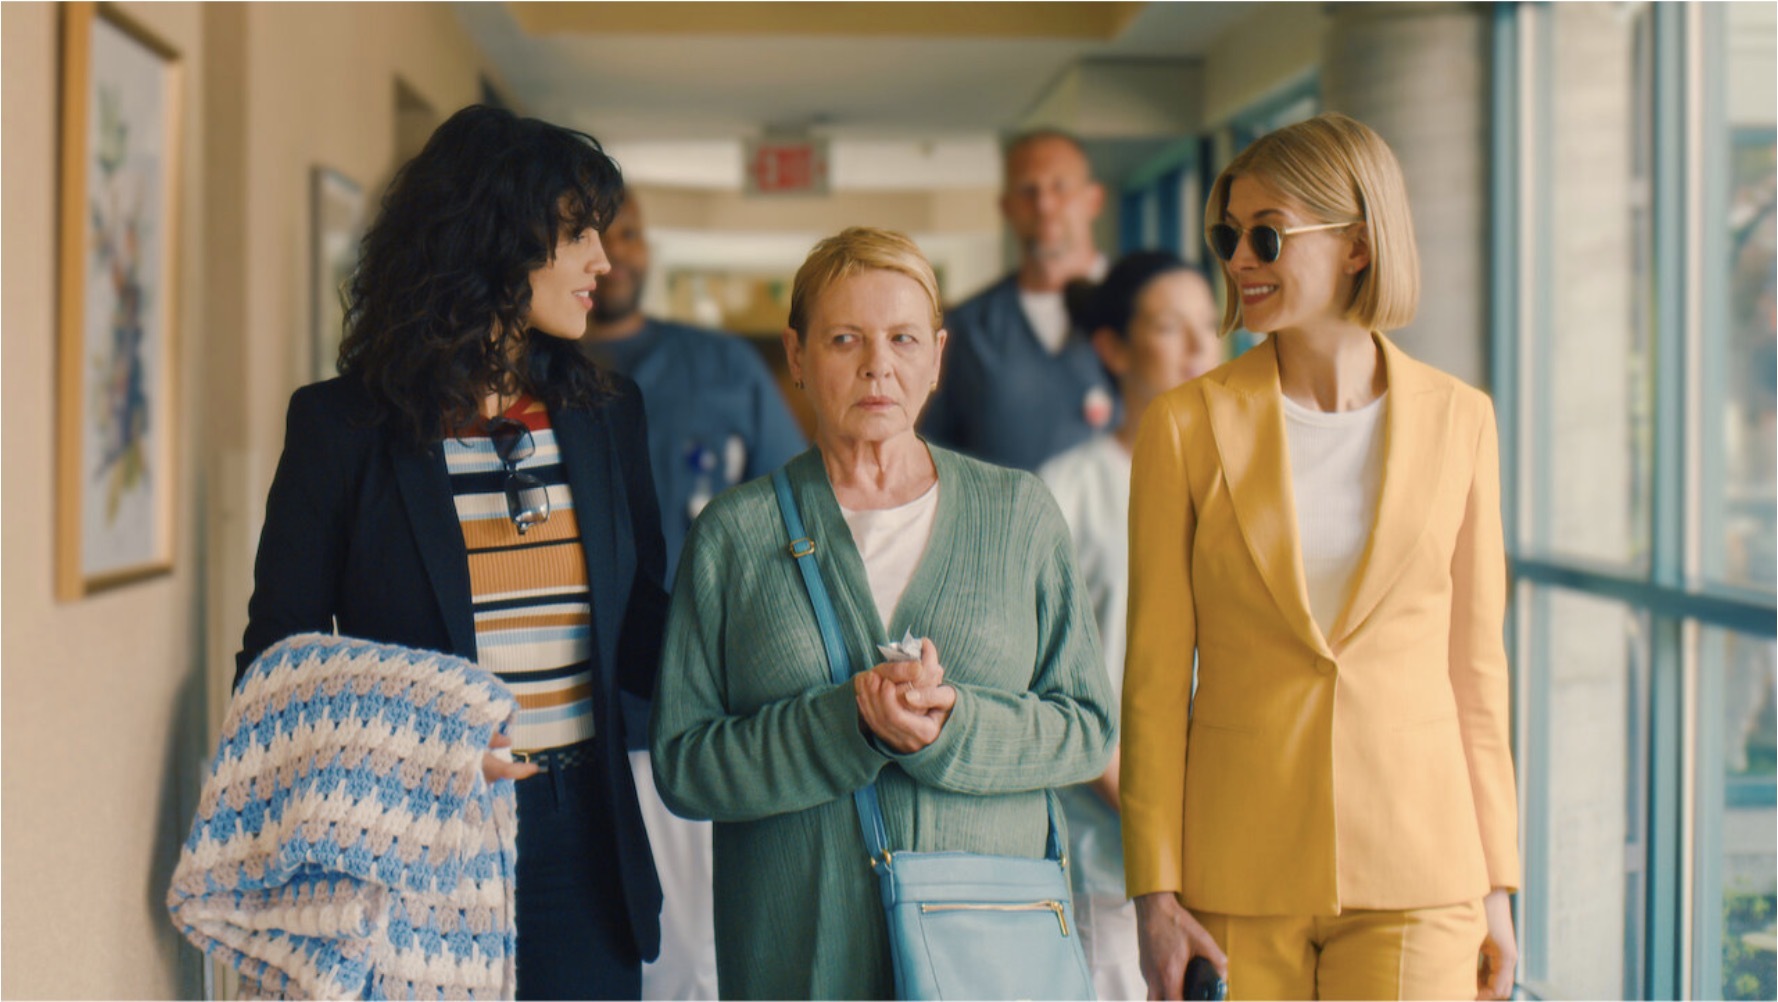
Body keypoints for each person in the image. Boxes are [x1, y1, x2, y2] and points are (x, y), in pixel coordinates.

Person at [235, 105, 667, 1000]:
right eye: (578, 233)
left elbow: (644, 633)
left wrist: (788, 645)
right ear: (496, 239)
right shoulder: (342, 429)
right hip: (410, 851)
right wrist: (419, 751)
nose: (603, 260)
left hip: (581, 847)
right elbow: (274, 670)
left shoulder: (606, 415)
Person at [649, 226, 1117, 999]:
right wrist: (850, 726)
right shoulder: (734, 535)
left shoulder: (1019, 514)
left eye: (903, 338)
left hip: (989, 967)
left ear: (936, 356)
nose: (878, 365)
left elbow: (1088, 729)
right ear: (797, 356)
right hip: (801, 962)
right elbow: (684, 766)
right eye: (845, 339)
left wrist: (954, 723)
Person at [1121, 112, 1522, 1001]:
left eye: (1267, 235)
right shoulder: (1183, 426)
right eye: (1228, 237)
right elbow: (1153, 682)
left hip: (1422, 870)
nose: (1240, 260)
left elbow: (1476, 675)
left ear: (1357, 245)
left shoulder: (1463, 421)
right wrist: (1154, 892)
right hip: (1236, 866)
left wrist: (1497, 884)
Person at [580, 188, 805, 1001]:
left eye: (631, 233)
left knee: (694, 964)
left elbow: (793, 522)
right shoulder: (527, 371)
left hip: (690, 717)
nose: (616, 251)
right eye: (594, 233)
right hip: (557, 720)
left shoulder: (721, 369)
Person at [1037, 250, 1220, 1001]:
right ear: (1113, 348)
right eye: (1171, 327)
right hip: (1110, 853)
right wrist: (1151, 816)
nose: (1200, 346)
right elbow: (1050, 681)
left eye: (1210, 324)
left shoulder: (1246, 484)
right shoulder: (1066, 492)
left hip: (1234, 837)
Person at [921, 129, 1116, 472]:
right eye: (1028, 190)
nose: (1044, 205)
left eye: (1060, 187)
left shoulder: (1142, 310)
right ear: (1006, 207)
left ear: (1094, 200)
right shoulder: (968, 329)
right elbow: (933, 455)